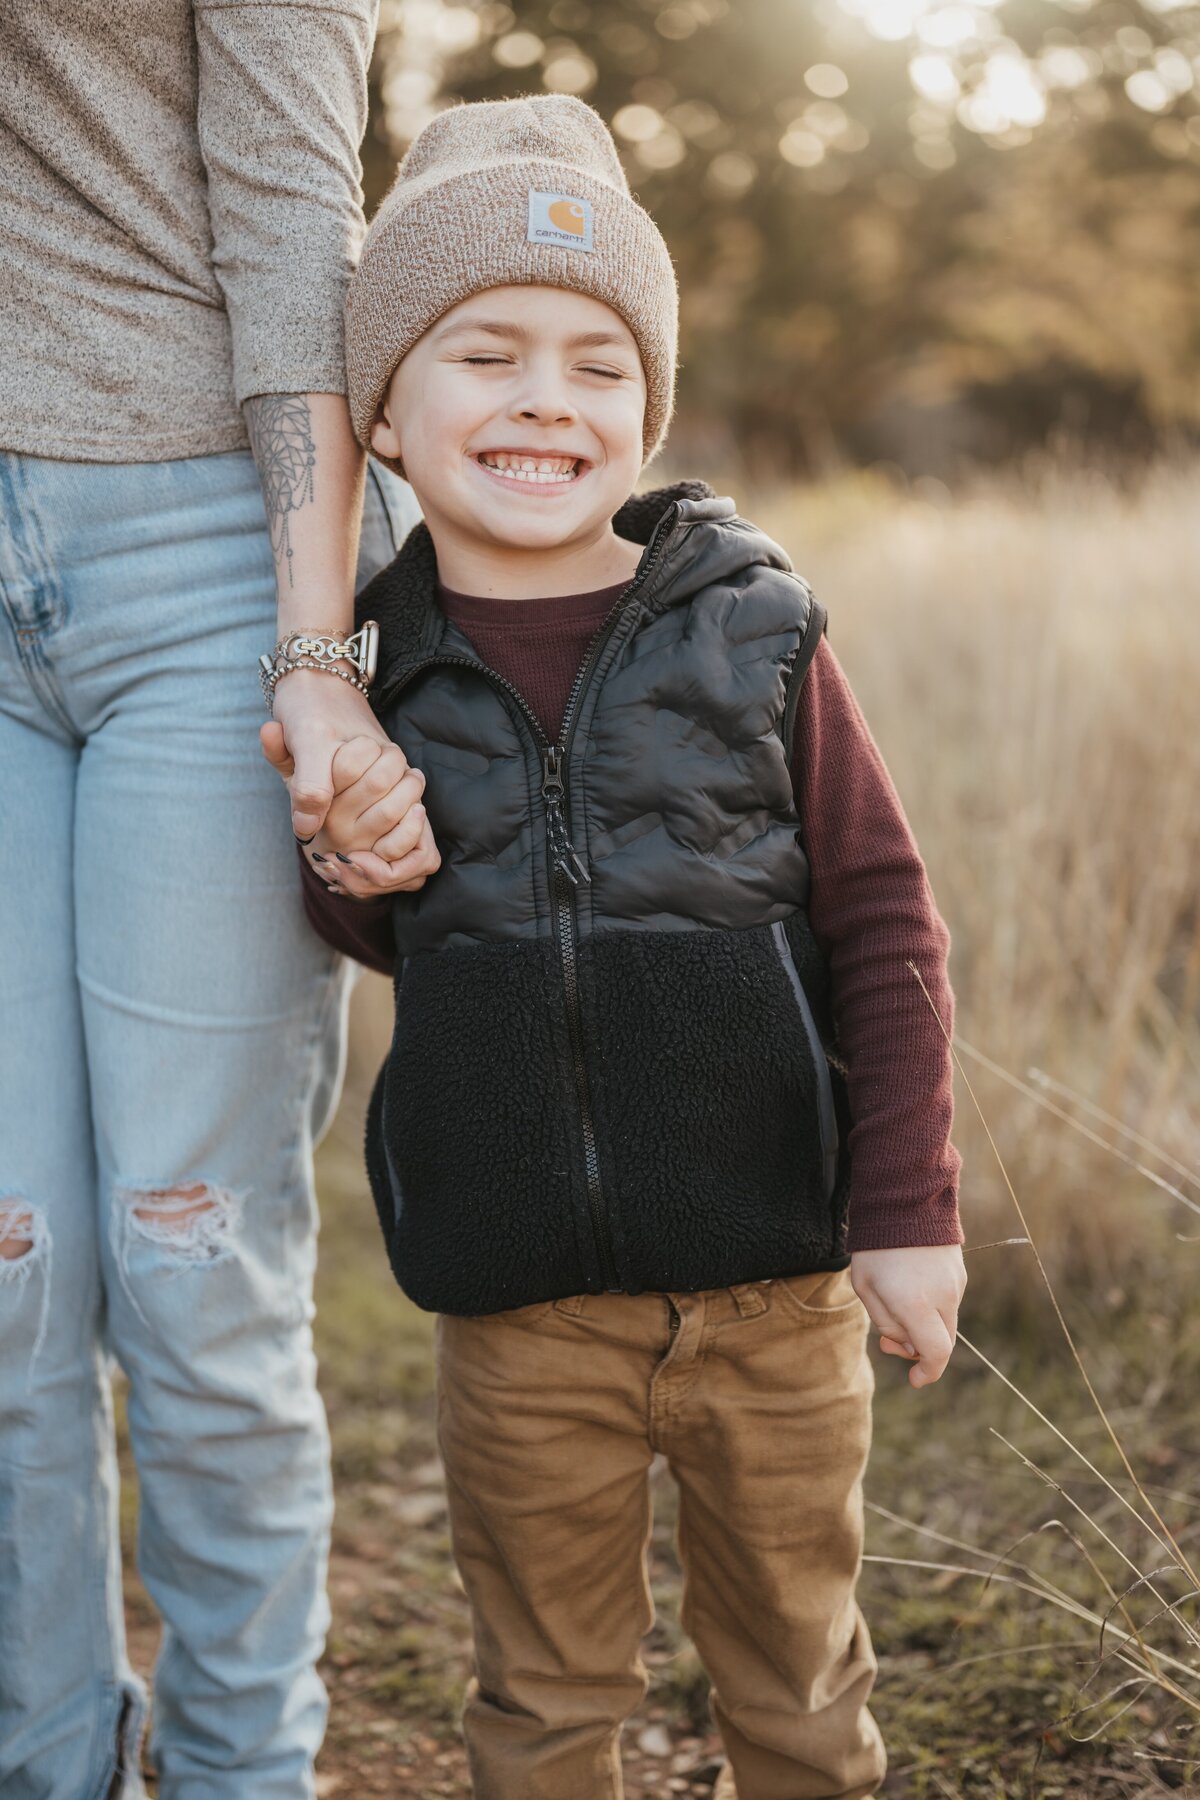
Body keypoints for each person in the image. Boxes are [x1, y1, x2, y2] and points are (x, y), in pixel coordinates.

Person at [288, 95, 967, 1800]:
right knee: (542, 1697)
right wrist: (340, 837)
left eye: (600, 364)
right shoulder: (367, 668)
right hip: (518, 1307)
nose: (545, 399)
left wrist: (907, 1213)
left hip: (776, 1288)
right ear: (381, 412)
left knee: (801, 1686)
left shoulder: (754, 625)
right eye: (486, 353)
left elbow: (885, 917)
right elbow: (372, 932)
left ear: (647, 407)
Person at [0, 4, 434, 1796]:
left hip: (204, 562)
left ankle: (247, 1773)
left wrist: (317, 647)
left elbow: (285, 216)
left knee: (191, 1260)